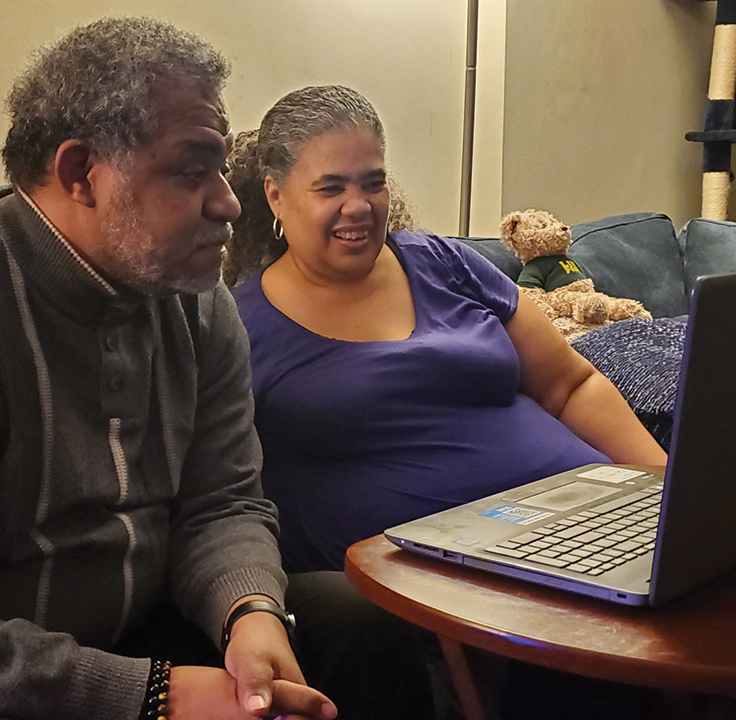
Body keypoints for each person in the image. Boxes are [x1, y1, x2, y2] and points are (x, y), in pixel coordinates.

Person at [0, 21, 423, 720]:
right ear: (78, 174)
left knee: (359, 621)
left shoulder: (198, 302)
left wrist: (249, 612)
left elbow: (222, 503)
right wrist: (154, 697)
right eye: (192, 169)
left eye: (220, 168)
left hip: (127, 633)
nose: (228, 200)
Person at [226, 85, 669, 574]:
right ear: (276, 197)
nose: (358, 205)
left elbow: (570, 385)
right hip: (453, 585)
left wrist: (666, 490)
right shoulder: (239, 328)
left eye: (372, 183)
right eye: (331, 187)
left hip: (590, 527)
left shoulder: (441, 260)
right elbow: (222, 499)